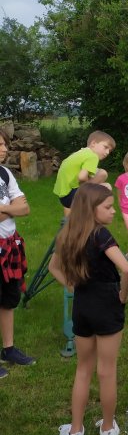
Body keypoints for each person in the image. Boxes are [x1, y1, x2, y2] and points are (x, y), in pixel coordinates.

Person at [49, 183, 128, 435]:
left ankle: (75, 434)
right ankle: (108, 430)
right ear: (91, 209)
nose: (113, 212)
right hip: (107, 304)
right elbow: (127, 269)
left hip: (82, 306)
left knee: (83, 369)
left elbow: (53, 267)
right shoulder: (101, 235)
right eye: (108, 207)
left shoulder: (68, 233)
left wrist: (71, 286)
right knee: (106, 370)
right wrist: (124, 294)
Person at [0, 128, 36, 378]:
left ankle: (9, 349)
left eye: (4, 143)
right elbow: (16, 207)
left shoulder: (5, 173)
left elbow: (25, 207)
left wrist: (6, 210)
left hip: (9, 244)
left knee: (8, 299)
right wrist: (11, 208)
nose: (3, 148)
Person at [53, 130, 116, 215]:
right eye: (105, 147)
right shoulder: (93, 156)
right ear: (93, 143)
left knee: (101, 174)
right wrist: (88, 189)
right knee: (106, 185)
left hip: (63, 197)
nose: (107, 152)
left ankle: (76, 215)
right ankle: (94, 211)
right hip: (72, 195)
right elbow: (82, 177)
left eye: (110, 150)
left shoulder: (81, 153)